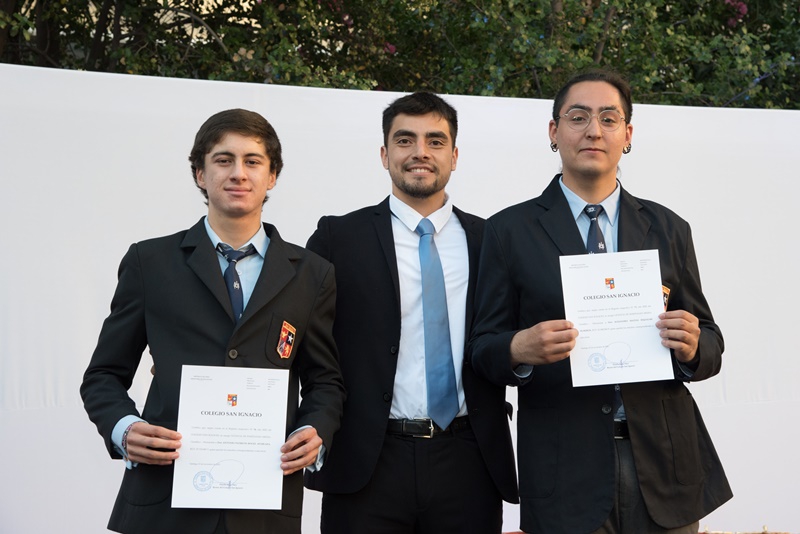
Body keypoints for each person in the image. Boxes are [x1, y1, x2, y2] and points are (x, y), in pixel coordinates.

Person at [469, 70, 732, 534]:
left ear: (627, 135)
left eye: (609, 119)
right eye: (578, 117)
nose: (594, 130)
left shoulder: (669, 228)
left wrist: (693, 346)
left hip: (664, 464)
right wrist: (518, 349)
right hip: (564, 468)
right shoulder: (508, 231)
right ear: (554, 132)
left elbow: (711, 342)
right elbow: (481, 348)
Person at [80, 109, 346, 534]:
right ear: (200, 174)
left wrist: (316, 430)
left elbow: (325, 381)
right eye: (224, 160)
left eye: (252, 161)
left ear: (272, 176)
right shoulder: (150, 262)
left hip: (264, 506)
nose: (238, 173)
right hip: (162, 502)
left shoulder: (312, 274)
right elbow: (103, 375)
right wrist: (124, 429)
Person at [303, 92, 518, 533]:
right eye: (405, 140)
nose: (420, 152)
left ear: (454, 156)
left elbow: (508, 335)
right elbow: (302, 335)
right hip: (367, 460)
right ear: (385, 155)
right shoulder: (338, 238)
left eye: (435, 141)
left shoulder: (492, 240)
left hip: (469, 460)